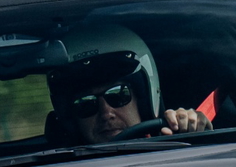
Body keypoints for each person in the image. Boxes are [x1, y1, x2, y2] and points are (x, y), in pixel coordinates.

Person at [44, 29, 213, 145]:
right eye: (85, 104)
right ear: (72, 119)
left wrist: (194, 134)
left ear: (143, 99)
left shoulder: (172, 146)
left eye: (118, 95)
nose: (106, 114)